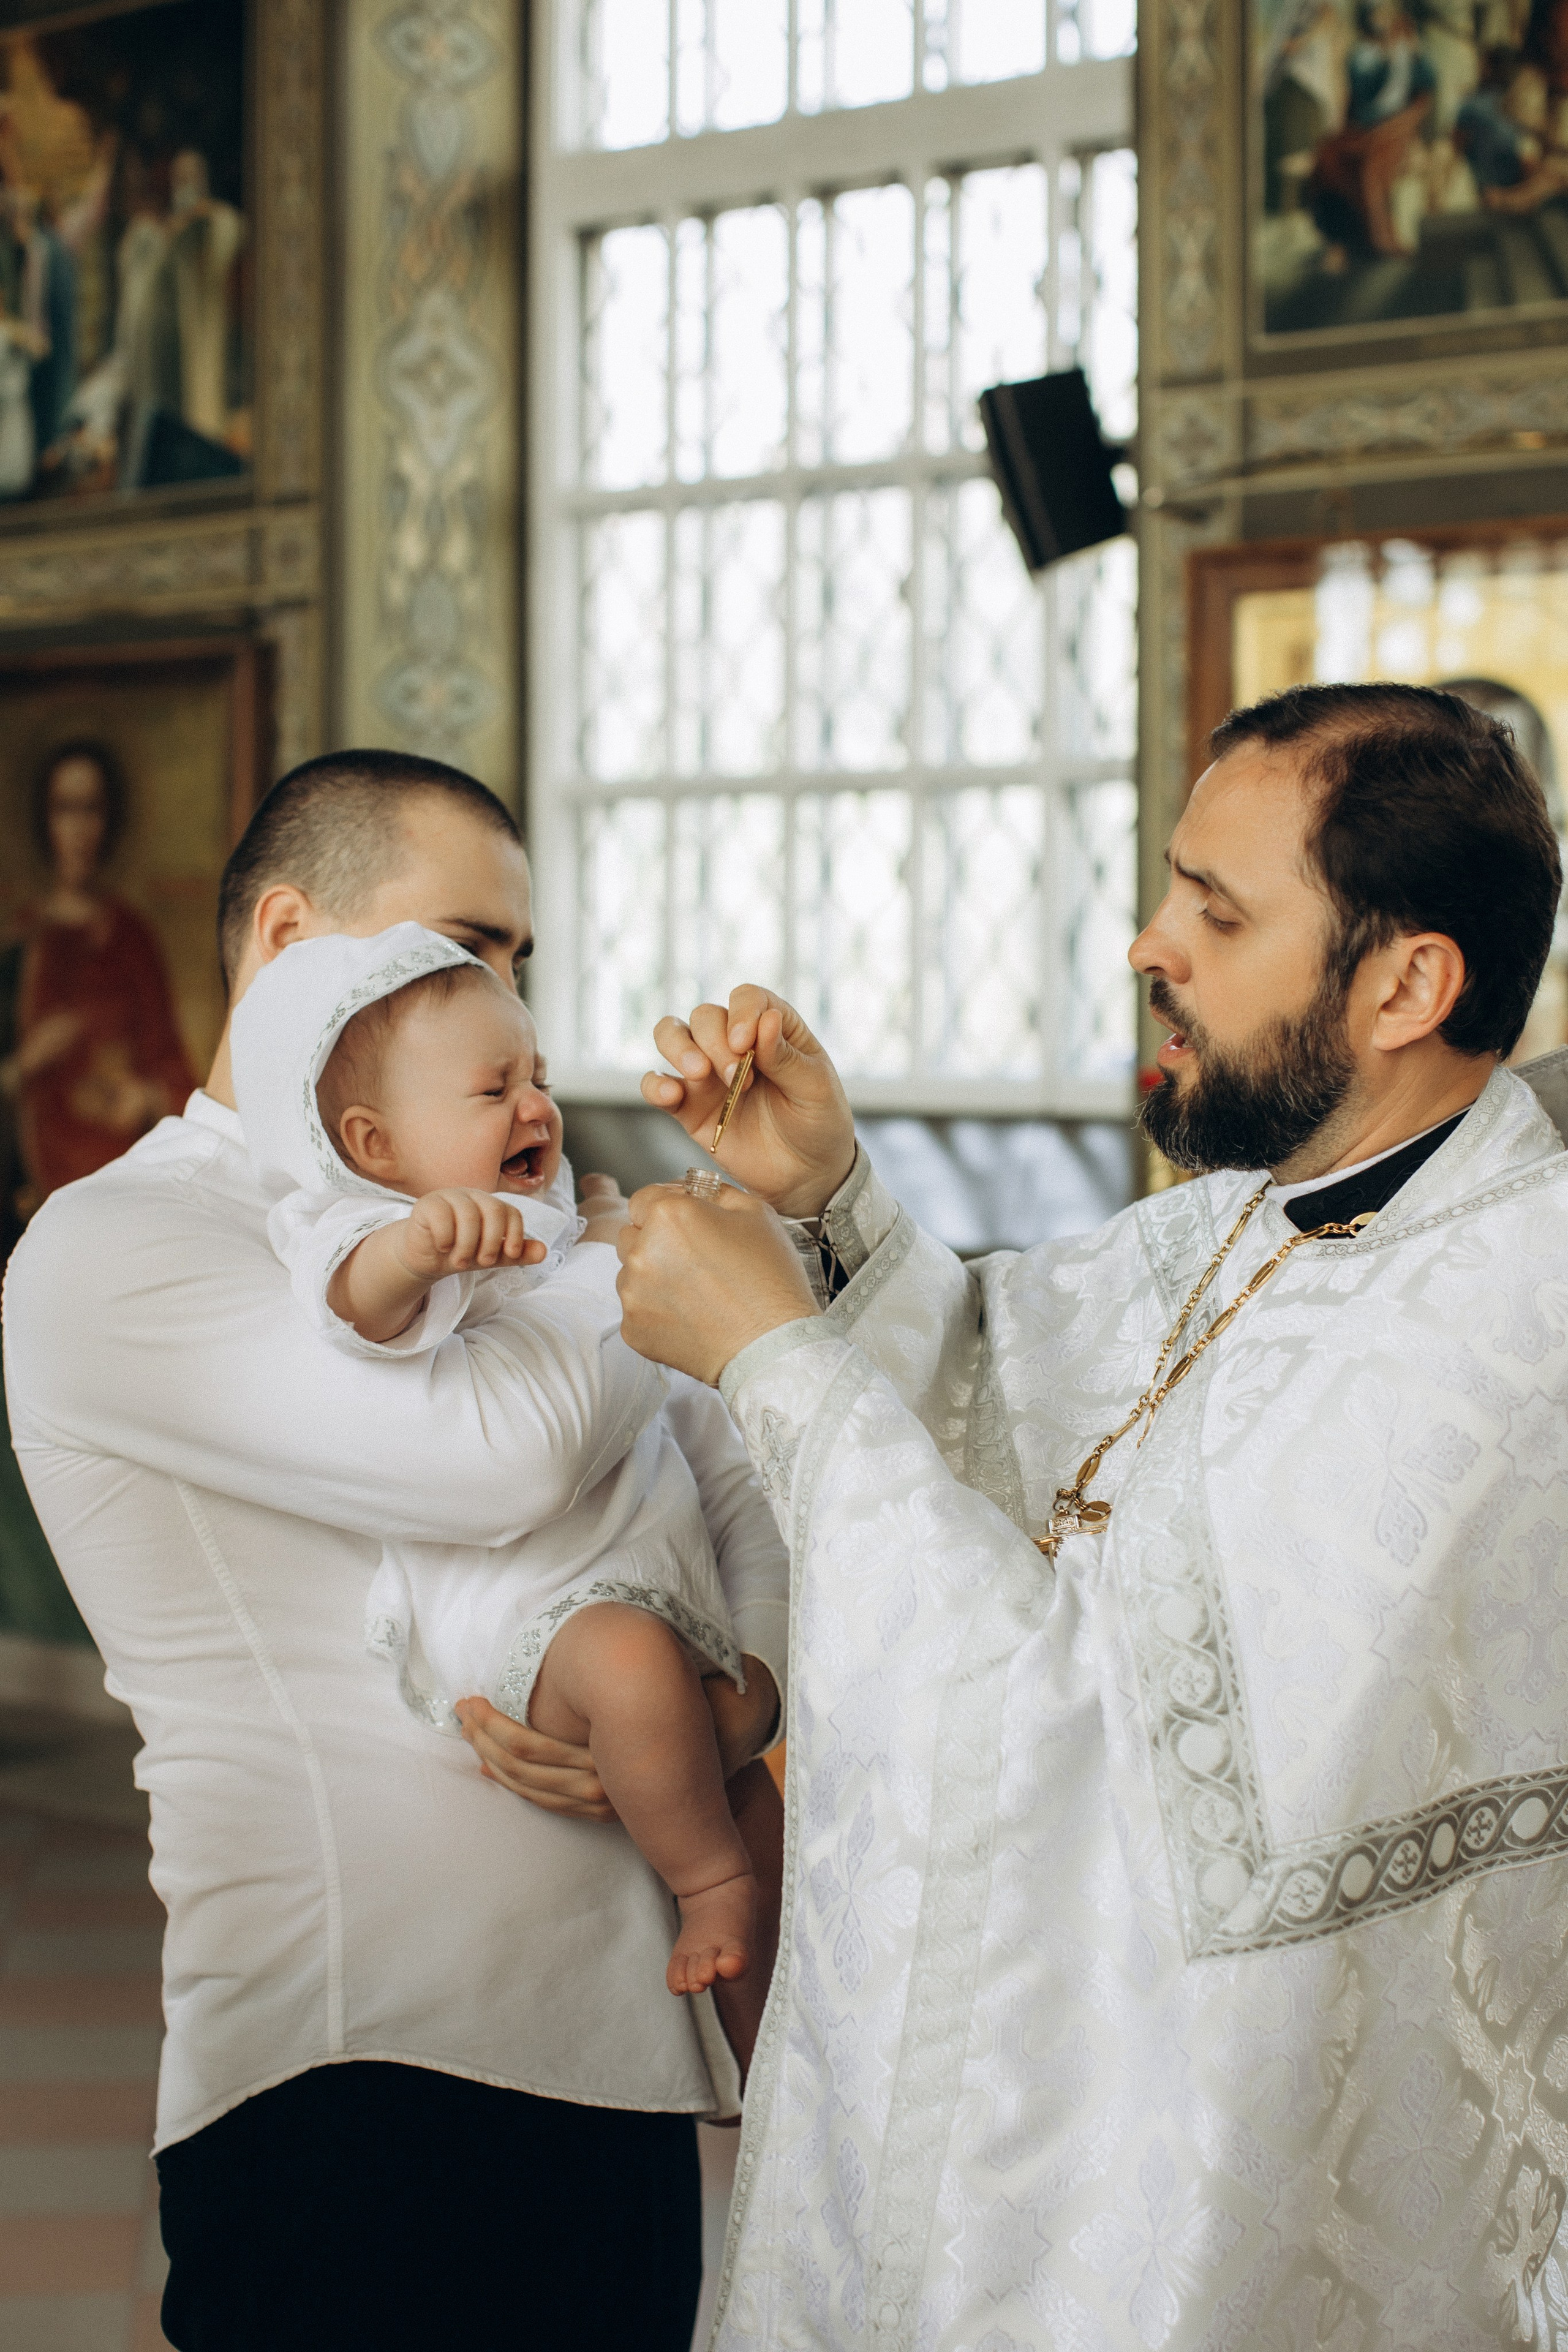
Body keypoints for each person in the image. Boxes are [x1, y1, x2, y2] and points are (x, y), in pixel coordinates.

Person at [612, 682, 1568, 2345]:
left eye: (1216, 909)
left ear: (1410, 982)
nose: (1148, 943)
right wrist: (829, 1195)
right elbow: (1003, 1387)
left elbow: (1103, 1734)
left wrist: (772, 1357)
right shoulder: (1267, 1215)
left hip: (1220, 2195)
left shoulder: (1507, 1320)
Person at [2, 750, 786, 2352]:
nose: (501, 1008)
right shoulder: (118, 1245)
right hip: (359, 2072)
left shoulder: (514, 1227)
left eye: (519, 967)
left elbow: (736, 1477)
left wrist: (752, 1689)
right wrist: (642, 1266)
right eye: (463, 946)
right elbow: (496, 1461)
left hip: (617, 2056)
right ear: (290, 938)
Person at [230, 921, 775, 2012]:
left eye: (539, 1077)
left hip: (652, 1566)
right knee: (634, 1679)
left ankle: (776, 2092)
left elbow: (624, 1296)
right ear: (376, 1146)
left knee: (753, 1808)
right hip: (542, 1607)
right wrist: (416, 1248)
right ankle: (706, 1884)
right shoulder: (358, 1224)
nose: (535, 1108)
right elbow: (354, 1312)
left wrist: (617, 1224)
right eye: (494, 1091)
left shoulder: (556, 1206)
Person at [2, 739, 195, 1206]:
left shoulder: (131, 937)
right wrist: (28, 1063)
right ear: (44, 821)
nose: (78, 829)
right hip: (31, 1181)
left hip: (120, 1177)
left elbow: (174, 1068)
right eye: (64, 810)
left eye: (91, 810)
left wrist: (146, 1098)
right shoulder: (17, 945)